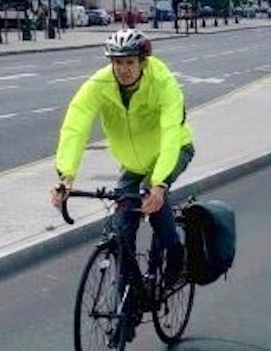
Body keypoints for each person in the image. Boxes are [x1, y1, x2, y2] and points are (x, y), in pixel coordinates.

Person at [51, 28, 195, 287]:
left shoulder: (162, 82)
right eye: (117, 62)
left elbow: (172, 132)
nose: (123, 69)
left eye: (129, 62)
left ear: (143, 61)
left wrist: (160, 184)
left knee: (152, 198)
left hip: (171, 150)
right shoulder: (99, 84)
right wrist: (66, 175)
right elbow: (76, 125)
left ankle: (175, 254)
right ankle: (129, 301)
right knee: (121, 229)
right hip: (133, 162)